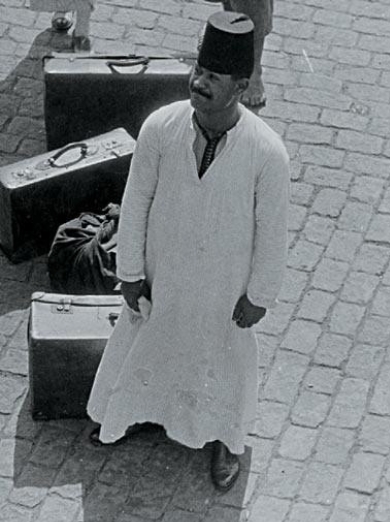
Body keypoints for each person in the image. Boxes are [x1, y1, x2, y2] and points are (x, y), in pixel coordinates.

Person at [86, 11, 290, 492]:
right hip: (165, 274)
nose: (198, 83)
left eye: (213, 78)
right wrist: (130, 271)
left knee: (224, 362)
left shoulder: (267, 153)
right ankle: (130, 413)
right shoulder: (161, 127)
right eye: (197, 71)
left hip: (225, 290)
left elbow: (273, 234)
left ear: (241, 87)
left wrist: (260, 295)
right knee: (147, 344)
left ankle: (224, 438)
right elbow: (135, 203)